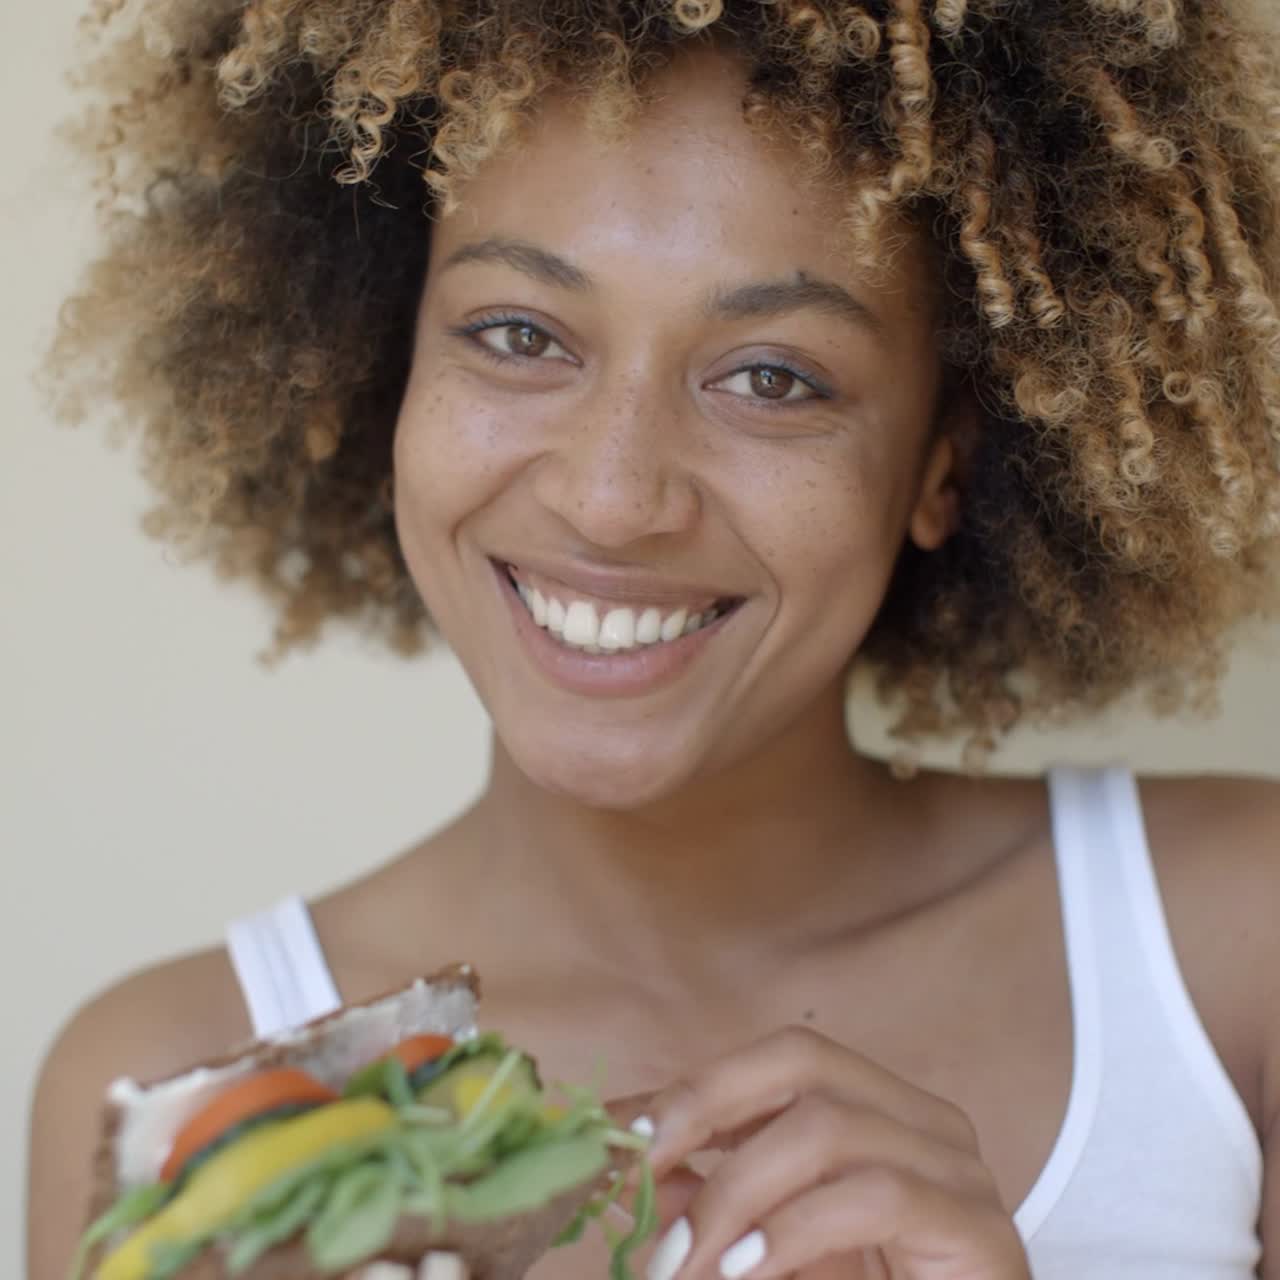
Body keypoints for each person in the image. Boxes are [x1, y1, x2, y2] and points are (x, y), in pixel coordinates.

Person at [25, 0, 1280, 1277]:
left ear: (939, 462)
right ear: (377, 363)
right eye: (518, 335)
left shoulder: (1238, 940)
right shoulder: (185, 1088)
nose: (614, 497)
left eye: (772, 377)